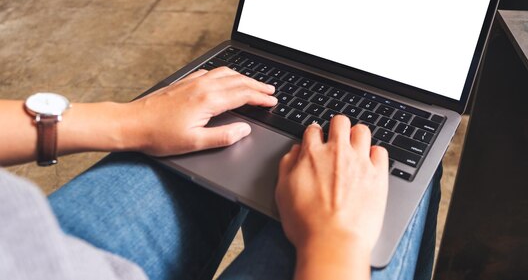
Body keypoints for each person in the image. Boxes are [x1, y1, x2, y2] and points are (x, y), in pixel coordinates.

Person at [0, 67, 441, 280]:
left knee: (227, 122)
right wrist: (334, 238)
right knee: (391, 177)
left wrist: (127, 121)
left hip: (30, 249)